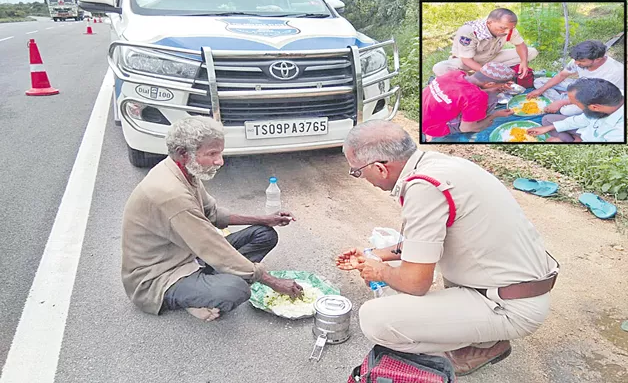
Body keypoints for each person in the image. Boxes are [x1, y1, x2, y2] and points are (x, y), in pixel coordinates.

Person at [336, 120, 559, 376]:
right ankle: (477, 334)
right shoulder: (438, 166)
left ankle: (482, 345)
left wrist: (379, 271)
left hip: (510, 306)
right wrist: (374, 255)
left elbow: (415, 283)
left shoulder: (423, 188)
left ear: (379, 168)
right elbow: (426, 242)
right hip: (510, 288)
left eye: (357, 172)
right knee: (394, 266)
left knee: (375, 320)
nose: (361, 178)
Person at [121, 117, 303, 321]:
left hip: (191, 256)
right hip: (160, 276)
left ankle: (207, 283)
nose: (220, 161)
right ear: (183, 153)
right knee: (237, 290)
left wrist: (265, 219)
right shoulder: (171, 193)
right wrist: (271, 280)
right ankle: (191, 297)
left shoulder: (184, 171)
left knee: (264, 234)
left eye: (220, 152)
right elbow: (209, 244)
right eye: (212, 154)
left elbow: (213, 214)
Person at [432, 8, 538, 79]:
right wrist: (488, 74)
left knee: (532, 52)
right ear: (489, 23)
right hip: (467, 62)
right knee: (440, 68)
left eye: (510, 28)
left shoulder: (509, 29)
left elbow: (520, 45)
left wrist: (524, 62)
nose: (506, 32)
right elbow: (466, 59)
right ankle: (471, 77)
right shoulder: (469, 31)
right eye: (502, 28)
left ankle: (480, 75)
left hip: (491, 59)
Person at [527, 40, 624, 116]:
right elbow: (562, 75)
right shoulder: (578, 60)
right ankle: (562, 99)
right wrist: (540, 90)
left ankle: (560, 100)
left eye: (581, 61)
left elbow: (595, 98)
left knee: (566, 111)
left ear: (598, 59)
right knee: (539, 82)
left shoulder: (614, 72)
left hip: (597, 99)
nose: (576, 63)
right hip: (580, 86)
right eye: (576, 60)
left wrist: (562, 103)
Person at [422, 62, 516, 139]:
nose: (502, 87)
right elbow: (466, 128)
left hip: (424, 110)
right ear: (490, 84)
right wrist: (494, 115)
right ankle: (435, 134)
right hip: (434, 127)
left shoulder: (456, 73)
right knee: (490, 100)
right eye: (502, 85)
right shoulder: (476, 97)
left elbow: (465, 89)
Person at [527, 78, 624, 143]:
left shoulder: (618, 133)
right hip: (586, 131)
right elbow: (583, 119)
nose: (572, 105)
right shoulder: (612, 98)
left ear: (594, 107)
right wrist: (549, 128)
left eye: (576, 104)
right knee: (547, 120)